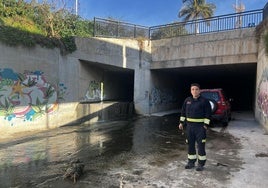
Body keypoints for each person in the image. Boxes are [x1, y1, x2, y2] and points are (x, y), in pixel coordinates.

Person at [178, 83, 211, 171]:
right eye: (192, 89)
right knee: (190, 145)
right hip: (189, 127)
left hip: (200, 127)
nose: (194, 91)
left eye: (196, 89)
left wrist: (205, 126)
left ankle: (201, 164)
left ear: (199, 90)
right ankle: (191, 162)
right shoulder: (187, 100)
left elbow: (208, 114)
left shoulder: (204, 101)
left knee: (201, 145)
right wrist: (181, 122)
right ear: (190, 90)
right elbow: (183, 112)